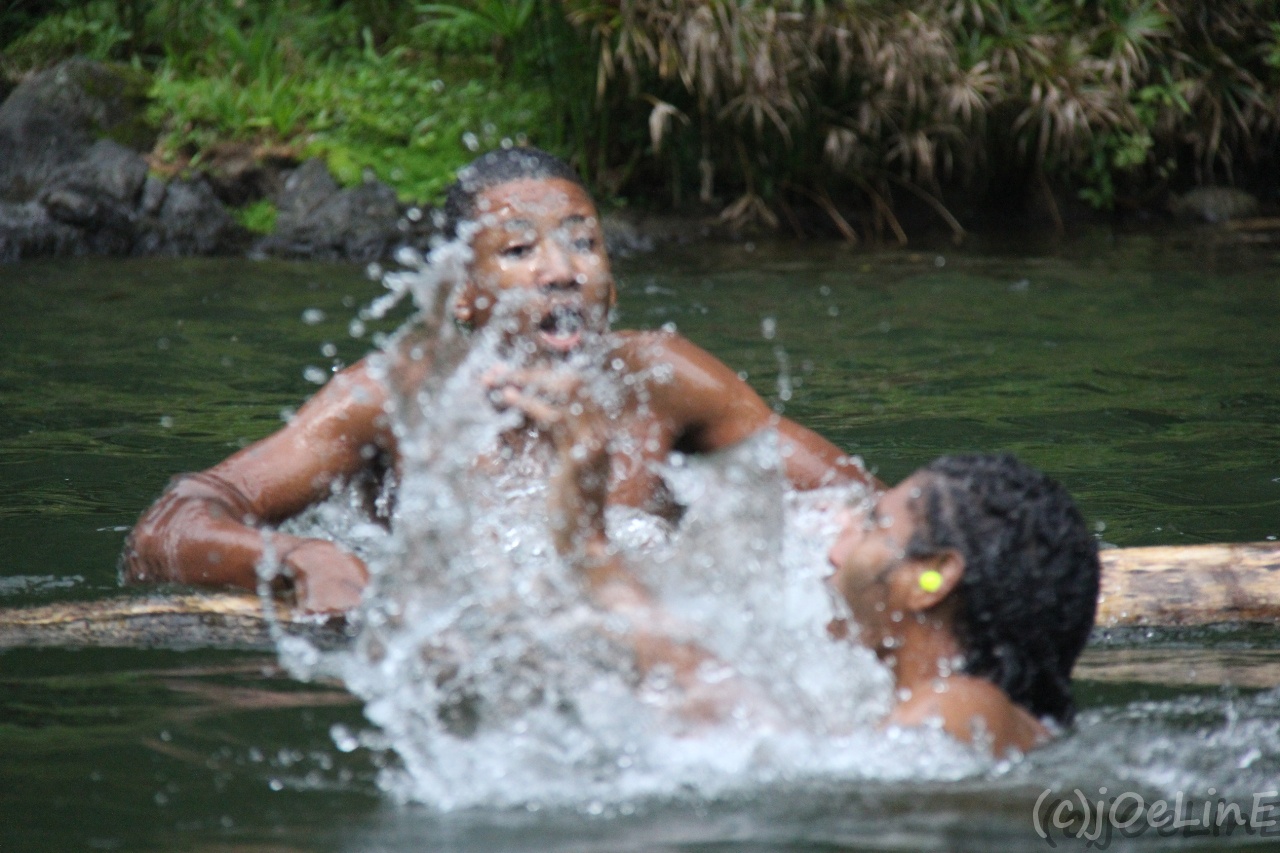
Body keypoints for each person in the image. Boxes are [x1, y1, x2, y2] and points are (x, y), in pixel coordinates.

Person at [122, 147, 876, 612]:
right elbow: (167, 527)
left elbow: (861, 505)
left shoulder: (663, 380)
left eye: (584, 243)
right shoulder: (393, 399)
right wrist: (298, 559)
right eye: (519, 250)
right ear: (463, 292)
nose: (562, 271)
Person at [521, 379, 1099, 756]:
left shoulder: (960, 706)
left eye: (871, 524)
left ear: (931, 580)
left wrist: (590, 544)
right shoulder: (941, 718)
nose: (833, 550)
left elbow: (771, 745)